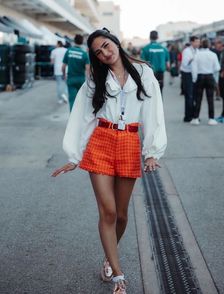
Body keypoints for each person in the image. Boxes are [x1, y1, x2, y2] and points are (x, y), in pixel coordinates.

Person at [51, 28, 167, 294]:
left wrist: (152, 151)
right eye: (98, 52)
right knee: (109, 212)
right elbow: (83, 115)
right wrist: (74, 155)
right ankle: (117, 275)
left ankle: (108, 255)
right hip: (101, 141)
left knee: (123, 215)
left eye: (105, 45)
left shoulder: (144, 72)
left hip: (129, 141)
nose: (104, 53)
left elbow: (153, 112)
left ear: (115, 41)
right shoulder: (95, 78)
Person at [191, 38, 221, 125]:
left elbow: (194, 67)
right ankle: (211, 119)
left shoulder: (197, 55)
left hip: (200, 77)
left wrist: (194, 78)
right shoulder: (213, 55)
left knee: (198, 99)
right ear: (209, 45)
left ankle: (195, 119)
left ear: (201, 45)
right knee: (210, 99)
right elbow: (217, 68)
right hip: (209, 76)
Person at [62, 34, 90, 111]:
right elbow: (88, 69)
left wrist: (64, 75)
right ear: (82, 42)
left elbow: (63, 66)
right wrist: (88, 80)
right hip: (81, 79)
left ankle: (72, 119)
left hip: (71, 78)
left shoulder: (69, 51)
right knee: (81, 100)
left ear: (74, 41)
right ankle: (80, 118)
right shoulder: (84, 54)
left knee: (72, 100)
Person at [180, 36, 200, 122]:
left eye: (199, 42)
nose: (198, 43)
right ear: (192, 42)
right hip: (187, 74)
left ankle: (194, 115)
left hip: (195, 74)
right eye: (196, 42)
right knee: (189, 95)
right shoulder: (187, 51)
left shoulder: (198, 51)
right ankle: (188, 117)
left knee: (195, 95)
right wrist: (193, 59)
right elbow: (185, 64)